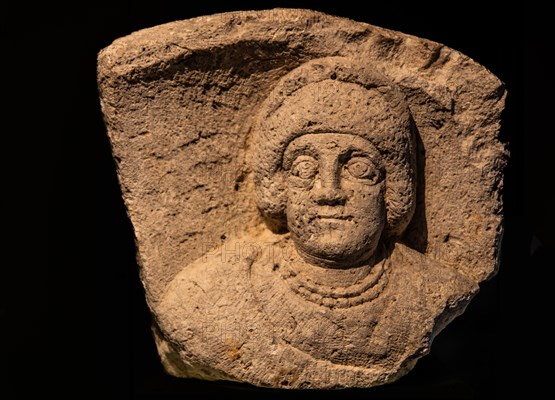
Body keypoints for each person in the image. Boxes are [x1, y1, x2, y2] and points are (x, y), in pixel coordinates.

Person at [155, 57, 477, 388]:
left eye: (358, 169)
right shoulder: (212, 290)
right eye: (305, 169)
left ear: (392, 189)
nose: (329, 192)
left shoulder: (432, 291)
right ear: (277, 187)